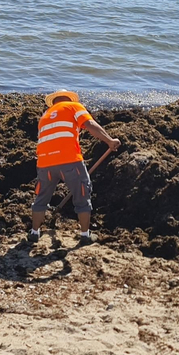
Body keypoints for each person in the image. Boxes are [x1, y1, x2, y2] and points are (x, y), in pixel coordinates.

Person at [28, 90, 118, 245]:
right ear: (69, 99)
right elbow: (89, 124)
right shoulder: (74, 106)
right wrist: (109, 140)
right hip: (69, 160)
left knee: (41, 198)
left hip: (44, 163)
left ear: (54, 101)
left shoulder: (45, 115)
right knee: (82, 194)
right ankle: (85, 235)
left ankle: (34, 233)